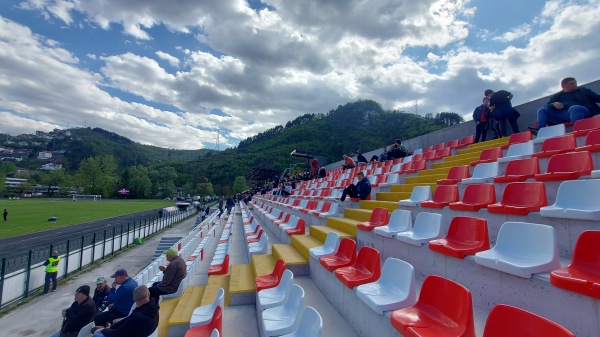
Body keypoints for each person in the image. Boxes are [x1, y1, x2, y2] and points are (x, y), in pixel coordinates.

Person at [533, 77, 600, 132]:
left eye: (575, 83)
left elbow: (597, 98)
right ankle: (540, 130)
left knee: (574, 108)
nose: (575, 85)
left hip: (582, 110)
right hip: (564, 114)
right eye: (571, 84)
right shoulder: (556, 96)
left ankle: (578, 130)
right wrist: (553, 104)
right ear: (563, 86)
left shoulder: (583, 90)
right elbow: (546, 106)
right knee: (542, 110)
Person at [91, 285, 159, 337]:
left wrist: (103, 330)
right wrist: (111, 327)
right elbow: (127, 320)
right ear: (148, 294)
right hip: (146, 331)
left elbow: (119, 333)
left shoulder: (138, 317)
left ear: (134, 299)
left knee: (97, 335)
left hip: (136, 333)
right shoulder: (153, 307)